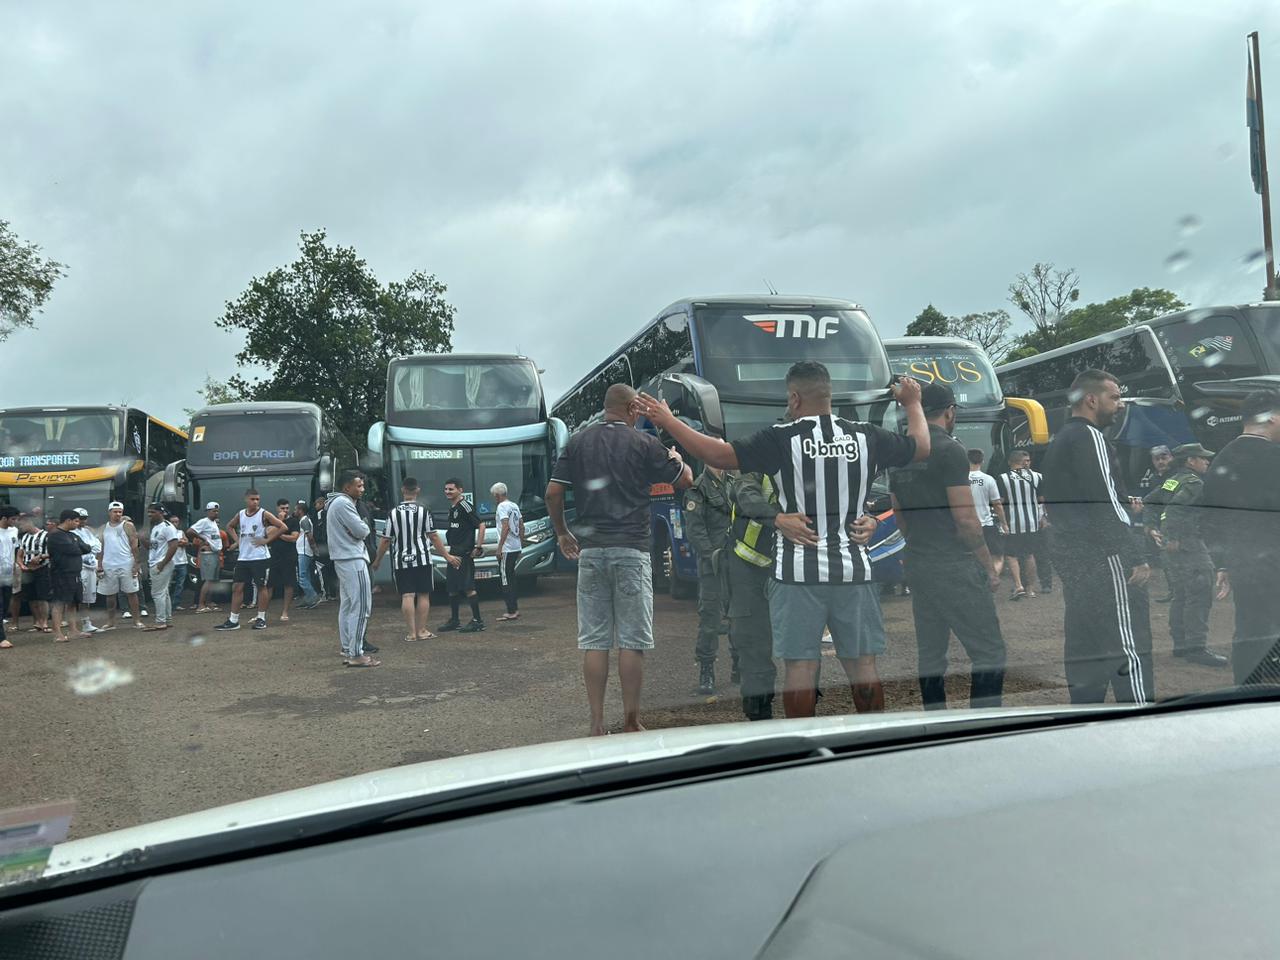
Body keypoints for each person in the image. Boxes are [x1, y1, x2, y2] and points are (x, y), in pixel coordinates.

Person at [634, 362, 929, 718]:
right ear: (829, 394)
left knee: (800, 668)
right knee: (863, 666)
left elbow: (717, 454)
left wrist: (667, 421)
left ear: (794, 397)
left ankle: (802, 745)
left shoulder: (782, 437)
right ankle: (871, 742)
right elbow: (921, 447)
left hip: (797, 573)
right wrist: (912, 403)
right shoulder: (867, 435)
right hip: (853, 570)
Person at [547, 383, 693, 736]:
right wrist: (677, 458)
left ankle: (596, 724)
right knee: (632, 641)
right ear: (631, 410)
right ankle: (630, 722)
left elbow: (554, 491)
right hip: (632, 549)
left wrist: (563, 532)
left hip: (592, 552)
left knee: (595, 640)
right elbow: (685, 480)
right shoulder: (643, 443)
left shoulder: (578, 441)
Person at [1041, 369, 1154, 704]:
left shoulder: (1061, 439)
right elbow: (1105, 503)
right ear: (1091, 399)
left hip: (1075, 559)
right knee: (1128, 645)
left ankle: (1084, 719)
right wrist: (1135, 554)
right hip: (1103, 557)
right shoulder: (1090, 437)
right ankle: (1139, 721)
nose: (1120, 405)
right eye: (1115, 397)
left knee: (1085, 645)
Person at [891, 384, 1005, 709]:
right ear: (950, 411)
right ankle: (983, 724)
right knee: (989, 650)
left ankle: (935, 718)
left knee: (931, 654)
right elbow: (967, 520)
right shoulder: (951, 449)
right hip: (953, 564)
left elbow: (900, 516)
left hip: (918, 561)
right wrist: (986, 564)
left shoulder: (902, 452)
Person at [1201, 390, 1280, 684]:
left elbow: (1211, 519)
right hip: (1274, 559)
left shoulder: (1221, 460)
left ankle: (1246, 694)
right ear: (1271, 417)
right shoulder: (1275, 456)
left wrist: (1223, 563)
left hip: (1243, 563)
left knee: (1250, 629)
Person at [1155, 443, 1229, 667]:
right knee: (1199, 593)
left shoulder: (1173, 479)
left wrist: (1152, 529)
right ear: (1190, 461)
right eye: (1202, 458)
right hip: (1190, 545)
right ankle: (1196, 648)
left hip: (1176, 548)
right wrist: (1173, 536)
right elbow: (1175, 510)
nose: (1207, 461)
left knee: (1181, 594)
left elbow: (1152, 503)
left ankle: (1180, 644)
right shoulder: (1194, 482)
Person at [683, 464, 734, 694]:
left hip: (737, 561)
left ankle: (739, 666)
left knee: (739, 615)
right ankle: (706, 671)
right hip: (712, 564)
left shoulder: (733, 482)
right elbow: (695, 530)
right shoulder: (698, 488)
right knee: (710, 618)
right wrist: (712, 555)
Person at [325, 469, 378, 666]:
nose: (362, 489)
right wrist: (360, 528)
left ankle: (348, 647)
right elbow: (362, 530)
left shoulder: (335, 503)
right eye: (359, 485)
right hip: (353, 558)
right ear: (347, 487)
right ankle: (356, 654)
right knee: (361, 606)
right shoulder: (344, 503)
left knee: (347, 606)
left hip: (343, 559)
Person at [373, 477, 436, 642]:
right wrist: (447, 556)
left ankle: (411, 633)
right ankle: (422, 630)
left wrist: (378, 560)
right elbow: (433, 536)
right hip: (423, 558)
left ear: (402, 490)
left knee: (407, 595)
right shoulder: (425, 511)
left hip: (401, 559)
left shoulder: (393, 513)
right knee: (423, 594)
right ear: (417, 490)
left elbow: (386, 539)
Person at [214, 490, 286, 631]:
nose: (255, 502)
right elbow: (229, 526)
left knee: (261, 587)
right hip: (244, 557)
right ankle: (233, 620)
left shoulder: (264, 514)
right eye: (252, 499)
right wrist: (238, 540)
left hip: (260, 557)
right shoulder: (241, 514)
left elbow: (283, 527)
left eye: (257, 499)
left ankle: (261, 618)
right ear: (246, 499)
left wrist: (266, 540)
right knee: (237, 587)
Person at [437, 478, 486, 634]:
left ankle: (478, 621)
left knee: (468, 587)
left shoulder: (465, 506)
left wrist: (478, 546)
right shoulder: (453, 508)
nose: (447, 492)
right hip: (453, 553)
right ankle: (455, 620)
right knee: (452, 588)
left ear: (460, 490)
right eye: (446, 489)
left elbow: (481, 524)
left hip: (464, 553)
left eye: (451, 489)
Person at [996, 449, 1044, 600]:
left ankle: (1018, 586)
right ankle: (1030, 589)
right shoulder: (1037, 476)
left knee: (1011, 556)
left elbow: (1000, 502)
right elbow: (1042, 499)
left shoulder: (1003, 478)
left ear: (1010, 462)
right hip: (1032, 522)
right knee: (1029, 555)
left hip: (1012, 522)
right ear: (1023, 462)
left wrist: (1001, 521)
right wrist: (1042, 517)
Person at [47, 510, 93, 641]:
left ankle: (73, 630)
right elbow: (73, 550)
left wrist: (77, 547)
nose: (78, 524)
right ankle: (58, 633)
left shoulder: (73, 535)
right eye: (76, 521)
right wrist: (77, 547)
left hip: (75, 573)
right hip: (61, 574)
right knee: (59, 602)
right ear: (68, 520)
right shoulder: (55, 535)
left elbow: (87, 548)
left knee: (73, 602)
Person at [1138, 445, 1177, 602]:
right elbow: (1151, 505)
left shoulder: (1178, 475)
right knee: (1166, 560)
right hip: (1162, 525)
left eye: (1164, 457)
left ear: (1171, 457)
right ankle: (1174, 591)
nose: (1161, 461)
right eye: (1157, 459)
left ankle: (1183, 592)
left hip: (1179, 523)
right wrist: (1151, 527)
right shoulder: (1154, 478)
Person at [98, 502, 143, 631]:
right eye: (115, 511)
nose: (117, 514)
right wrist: (99, 565)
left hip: (126, 563)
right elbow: (100, 548)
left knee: (131, 593)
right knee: (110, 595)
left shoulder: (128, 526)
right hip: (108, 564)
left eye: (120, 512)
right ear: (109, 512)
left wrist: (136, 563)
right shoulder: (103, 528)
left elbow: (134, 545)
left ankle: (137, 620)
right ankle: (111, 622)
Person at [967, 448, 1008, 580]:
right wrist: (1004, 524)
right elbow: (997, 504)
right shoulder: (988, 479)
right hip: (986, 525)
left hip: (966, 525)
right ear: (982, 461)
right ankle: (990, 580)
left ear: (967, 460)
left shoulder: (960, 479)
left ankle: (976, 582)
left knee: (971, 557)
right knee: (998, 556)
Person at [144, 504, 181, 631]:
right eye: (149, 512)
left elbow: (174, 545)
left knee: (157, 593)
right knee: (163, 593)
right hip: (157, 561)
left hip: (161, 563)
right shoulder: (156, 527)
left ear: (161, 513)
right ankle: (167, 619)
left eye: (152, 512)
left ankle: (160, 621)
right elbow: (154, 547)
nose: (149, 514)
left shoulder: (167, 527)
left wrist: (162, 563)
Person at [492, 482, 524, 622]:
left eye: (494, 495)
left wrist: (500, 547)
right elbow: (521, 525)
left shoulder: (502, 506)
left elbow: (505, 526)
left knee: (505, 579)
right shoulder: (514, 505)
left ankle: (511, 611)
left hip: (507, 548)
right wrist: (521, 544)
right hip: (516, 546)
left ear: (498, 495)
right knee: (511, 578)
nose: (494, 498)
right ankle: (514, 608)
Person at [17, 514, 53, 633]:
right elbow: (20, 554)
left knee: (43, 597)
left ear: (30, 522)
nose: (20, 526)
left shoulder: (46, 535)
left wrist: (41, 557)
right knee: (31, 597)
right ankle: (37, 622)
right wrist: (22, 565)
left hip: (42, 568)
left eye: (22, 524)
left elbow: (52, 553)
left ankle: (45, 622)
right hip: (28, 570)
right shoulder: (24, 537)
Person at [267, 497, 300, 623]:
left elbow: (294, 538)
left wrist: (278, 534)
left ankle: (285, 611)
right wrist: (279, 522)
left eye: (287, 508)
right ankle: (262, 613)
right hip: (274, 556)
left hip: (289, 556)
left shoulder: (294, 521)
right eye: (282, 508)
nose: (285, 510)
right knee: (269, 585)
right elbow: (268, 534)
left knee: (289, 584)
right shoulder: (271, 520)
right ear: (277, 509)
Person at [187, 502, 223, 613]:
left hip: (215, 553)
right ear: (208, 511)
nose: (215, 513)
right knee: (208, 580)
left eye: (217, 511)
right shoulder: (204, 522)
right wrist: (202, 539)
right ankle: (201, 605)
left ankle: (208, 603)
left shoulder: (213, 523)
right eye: (213, 511)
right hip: (208, 555)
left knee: (212, 580)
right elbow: (190, 531)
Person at [295, 500, 321, 608]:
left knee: (302, 577)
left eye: (296, 509)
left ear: (300, 510)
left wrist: (314, 549)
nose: (294, 511)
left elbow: (309, 536)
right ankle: (309, 599)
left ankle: (313, 596)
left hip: (304, 551)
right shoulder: (305, 520)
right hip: (305, 551)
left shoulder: (304, 521)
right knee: (307, 576)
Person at [0, 506, 18, 648]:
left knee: (6, 605)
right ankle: (1, 638)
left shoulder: (14, 531)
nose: (15, 521)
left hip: (7, 574)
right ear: (4, 518)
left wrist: (14, 568)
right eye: (13, 519)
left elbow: (15, 549)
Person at [167, 512, 190, 611]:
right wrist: (179, 542)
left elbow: (186, 542)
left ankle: (175, 604)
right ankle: (166, 605)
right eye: (172, 522)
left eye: (176, 522)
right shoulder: (166, 532)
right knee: (167, 584)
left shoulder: (181, 532)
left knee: (180, 584)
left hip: (182, 561)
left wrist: (179, 542)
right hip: (170, 561)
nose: (174, 524)